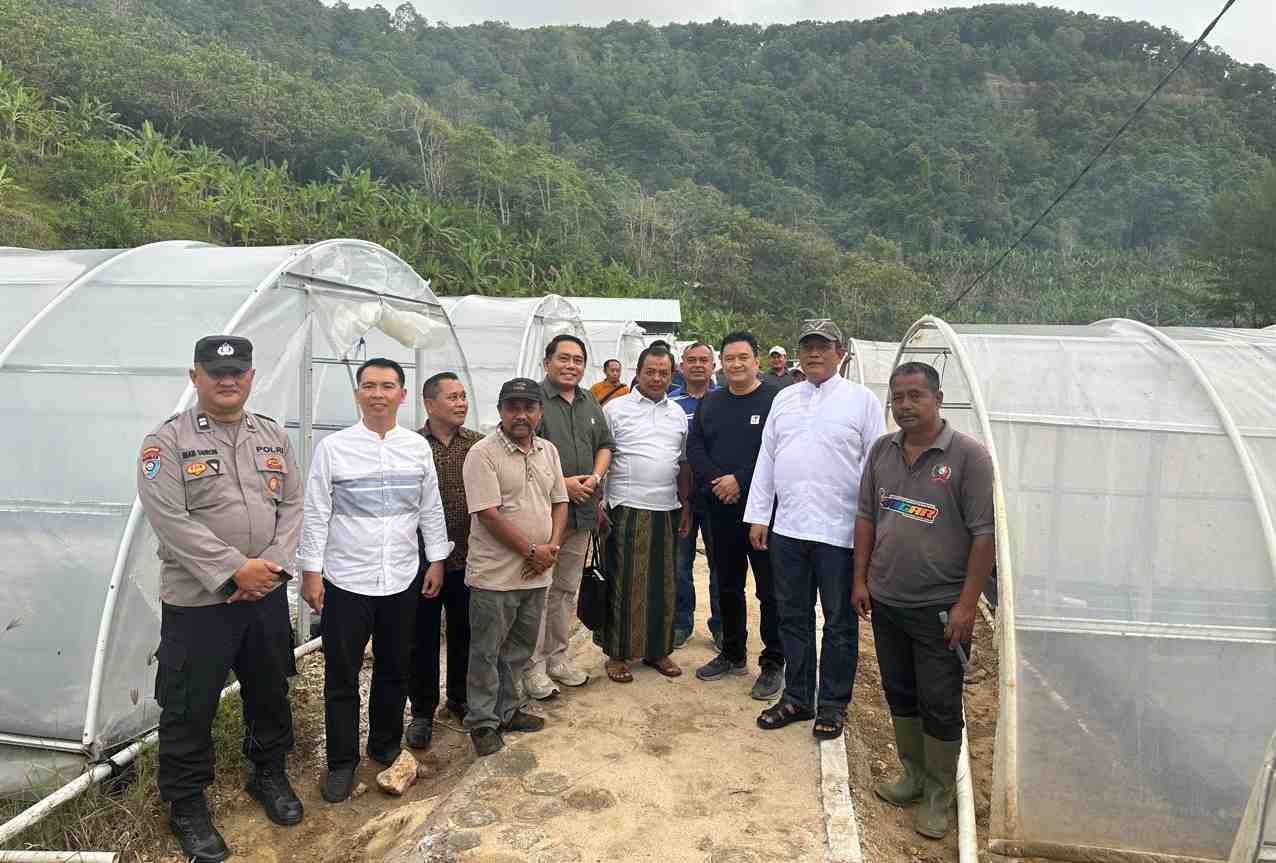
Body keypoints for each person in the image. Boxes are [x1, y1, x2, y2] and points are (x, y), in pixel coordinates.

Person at [137, 335, 304, 863]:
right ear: (196, 378)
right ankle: (186, 803)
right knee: (189, 705)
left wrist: (271, 566)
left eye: (237, 372)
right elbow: (169, 519)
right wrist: (235, 571)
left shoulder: (272, 436)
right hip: (199, 603)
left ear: (251, 377)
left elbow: (293, 505)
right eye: (216, 372)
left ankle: (268, 773)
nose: (228, 380)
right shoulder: (167, 442)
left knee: (270, 689)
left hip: (266, 594)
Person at [299, 358, 452, 803]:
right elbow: (316, 512)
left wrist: (436, 560)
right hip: (347, 579)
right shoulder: (334, 449)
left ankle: (383, 745)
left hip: (402, 577)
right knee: (341, 675)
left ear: (402, 395)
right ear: (358, 394)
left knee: (394, 667)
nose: (378, 394)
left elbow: (430, 507)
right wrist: (311, 572)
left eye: (387, 386)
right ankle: (341, 763)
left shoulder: (416, 448)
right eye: (369, 386)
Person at [852, 362, 994, 839]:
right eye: (898, 397)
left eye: (916, 396)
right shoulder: (882, 450)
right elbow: (867, 517)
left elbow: (983, 535)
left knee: (939, 701)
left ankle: (938, 792)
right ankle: (912, 774)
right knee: (900, 691)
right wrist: (860, 580)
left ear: (938, 398)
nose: (906, 405)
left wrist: (967, 605)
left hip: (939, 608)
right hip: (887, 600)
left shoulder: (968, 456)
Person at [745, 319, 885, 739]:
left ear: (840, 353)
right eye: (807, 346)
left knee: (840, 622)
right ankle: (797, 698)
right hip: (789, 528)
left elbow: (875, 468)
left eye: (823, 346)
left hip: (840, 533)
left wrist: (873, 530)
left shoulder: (862, 401)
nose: (814, 354)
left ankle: (833, 705)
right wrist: (760, 514)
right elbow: (767, 458)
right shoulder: (785, 399)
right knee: (793, 617)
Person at [463, 378, 569, 755]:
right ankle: (483, 722)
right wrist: (532, 551)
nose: (521, 415)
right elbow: (488, 514)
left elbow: (560, 502)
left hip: (538, 572)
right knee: (486, 652)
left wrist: (551, 547)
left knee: (519, 649)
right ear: (500, 411)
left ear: (540, 412)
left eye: (529, 407)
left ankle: (508, 710)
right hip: (495, 575)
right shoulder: (482, 453)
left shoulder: (548, 451)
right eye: (513, 408)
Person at [689, 331, 785, 700]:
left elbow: (776, 452)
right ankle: (732, 653)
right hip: (720, 509)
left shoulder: (775, 400)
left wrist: (739, 480)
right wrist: (718, 481)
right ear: (721, 363)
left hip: (763, 513)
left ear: (756, 361)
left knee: (769, 589)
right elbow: (695, 447)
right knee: (727, 584)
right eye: (729, 358)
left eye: (743, 357)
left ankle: (773, 661)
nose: (736, 364)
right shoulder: (711, 403)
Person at [525, 334, 615, 700]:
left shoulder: (589, 400)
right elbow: (523, 454)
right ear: (547, 362)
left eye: (578, 360)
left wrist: (594, 478)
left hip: (582, 512)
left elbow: (605, 445)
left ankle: (558, 658)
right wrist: (562, 485)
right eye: (564, 358)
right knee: (538, 590)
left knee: (564, 590)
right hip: (544, 514)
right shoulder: (533, 400)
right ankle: (532, 667)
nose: (571, 365)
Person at [600, 345, 690, 683]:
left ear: (671, 375)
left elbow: (682, 463)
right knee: (625, 584)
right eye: (650, 371)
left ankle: (657, 650)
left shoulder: (677, 413)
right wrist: (599, 502)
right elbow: (602, 455)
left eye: (663, 373)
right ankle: (617, 654)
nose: (656, 378)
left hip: (666, 508)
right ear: (637, 373)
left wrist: (686, 505)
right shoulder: (615, 409)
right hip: (626, 506)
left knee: (664, 585)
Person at [406, 372, 483, 750]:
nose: (461, 403)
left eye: (463, 396)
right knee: (421, 637)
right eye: (452, 397)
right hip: (421, 560)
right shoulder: (411, 445)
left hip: (470, 556)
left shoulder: (479, 445)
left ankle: (460, 697)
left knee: (465, 631)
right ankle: (422, 711)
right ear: (429, 403)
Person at [669, 341, 721, 649]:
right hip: (678, 495)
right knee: (679, 564)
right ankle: (680, 622)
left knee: (720, 565)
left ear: (714, 366)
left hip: (717, 495)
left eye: (704, 360)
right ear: (682, 366)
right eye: (692, 360)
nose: (698, 365)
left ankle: (722, 626)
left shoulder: (725, 400)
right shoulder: (670, 404)